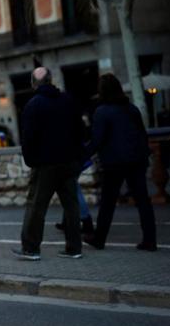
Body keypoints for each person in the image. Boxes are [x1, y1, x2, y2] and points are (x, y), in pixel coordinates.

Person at [12, 67, 84, 260]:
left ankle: (31, 248)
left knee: (36, 206)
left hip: (45, 165)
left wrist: (31, 161)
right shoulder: (68, 101)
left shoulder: (33, 105)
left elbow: (28, 138)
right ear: (51, 80)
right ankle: (74, 247)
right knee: (71, 205)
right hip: (69, 162)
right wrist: (77, 157)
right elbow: (81, 130)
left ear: (33, 84)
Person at [83, 73, 157, 251]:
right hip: (137, 160)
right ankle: (150, 240)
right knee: (143, 201)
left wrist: (82, 154)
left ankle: (99, 239)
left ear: (102, 91)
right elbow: (142, 133)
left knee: (108, 202)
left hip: (114, 163)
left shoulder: (102, 112)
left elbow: (97, 140)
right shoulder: (131, 109)